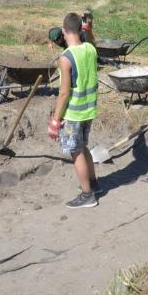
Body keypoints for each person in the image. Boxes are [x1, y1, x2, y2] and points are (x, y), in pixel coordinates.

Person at [48, 13, 101, 209]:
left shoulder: (66, 58)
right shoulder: (90, 49)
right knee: (83, 146)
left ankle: (87, 195)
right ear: (81, 30)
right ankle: (94, 183)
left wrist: (55, 120)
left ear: (63, 30)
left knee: (75, 152)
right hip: (89, 109)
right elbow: (92, 42)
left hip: (74, 113)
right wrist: (89, 30)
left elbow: (63, 93)